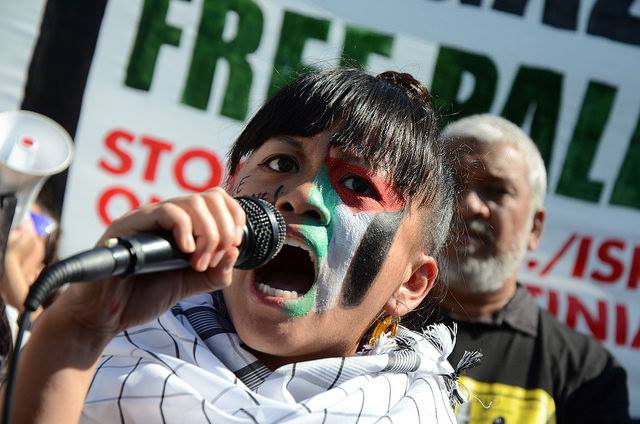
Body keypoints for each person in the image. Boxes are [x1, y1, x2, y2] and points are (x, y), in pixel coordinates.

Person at [10, 68, 471, 423]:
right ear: (229, 190)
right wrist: (79, 331)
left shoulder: (417, 411)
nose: (301, 195)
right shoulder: (102, 357)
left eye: (356, 183)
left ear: (411, 284)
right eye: (281, 162)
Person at [431, 114, 630, 423]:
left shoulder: (586, 372)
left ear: (535, 228)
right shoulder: (365, 323)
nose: (468, 205)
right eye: (451, 183)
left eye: (495, 190)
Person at [0, 203, 58, 366]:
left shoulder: (25, 337)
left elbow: (55, 337)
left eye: (38, 222)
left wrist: (9, 258)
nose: (22, 219)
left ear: (37, 273)